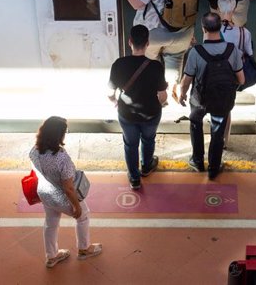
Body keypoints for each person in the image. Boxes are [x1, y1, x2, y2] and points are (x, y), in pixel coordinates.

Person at [121, 0, 196, 97]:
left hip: (154, 31)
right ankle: (172, 92)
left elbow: (137, 3)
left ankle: (155, 94)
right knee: (174, 63)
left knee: (150, 64)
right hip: (182, 30)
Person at [178, 12, 244, 179]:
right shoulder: (232, 50)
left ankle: (197, 161)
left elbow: (186, 80)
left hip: (200, 99)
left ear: (203, 28)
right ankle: (214, 169)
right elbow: (241, 79)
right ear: (220, 27)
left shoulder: (196, 52)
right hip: (222, 99)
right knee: (217, 131)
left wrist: (182, 95)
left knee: (195, 124)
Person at [29, 117, 102, 268]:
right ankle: (84, 249)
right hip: (62, 198)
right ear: (59, 135)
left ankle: (52, 256)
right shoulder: (62, 158)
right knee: (83, 217)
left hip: (45, 193)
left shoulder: (34, 151)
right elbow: (69, 188)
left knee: (51, 223)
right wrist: (77, 206)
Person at [108, 25, 168, 190]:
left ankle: (134, 178)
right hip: (151, 114)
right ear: (148, 43)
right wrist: (159, 105)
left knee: (130, 144)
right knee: (148, 140)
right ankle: (147, 166)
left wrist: (114, 101)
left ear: (130, 42)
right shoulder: (156, 66)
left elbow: (109, 93)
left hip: (127, 115)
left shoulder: (119, 64)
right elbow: (162, 96)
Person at [216, 0, 254, 148]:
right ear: (235, 9)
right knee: (227, 108)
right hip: (233, 75)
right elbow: (249, 54)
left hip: (215, 74)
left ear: (218, 9)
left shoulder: (211, 30)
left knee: (216, 105)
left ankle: (216, 136)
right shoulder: (244, 32)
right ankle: (225, 140)